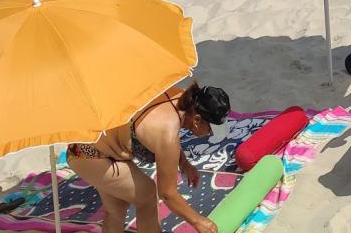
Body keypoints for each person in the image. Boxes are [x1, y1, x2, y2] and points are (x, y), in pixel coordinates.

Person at [67, 83, 229, 233]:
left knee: (117, 208)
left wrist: (184, 163)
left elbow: (163, 131)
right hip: (90, 155)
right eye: (210, 129)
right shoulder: (167, 135)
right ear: (197, 120)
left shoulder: (180, 97)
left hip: (85, 141)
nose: (209, 134)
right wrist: (198, 221)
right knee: (147, 195)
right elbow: (167, 193)